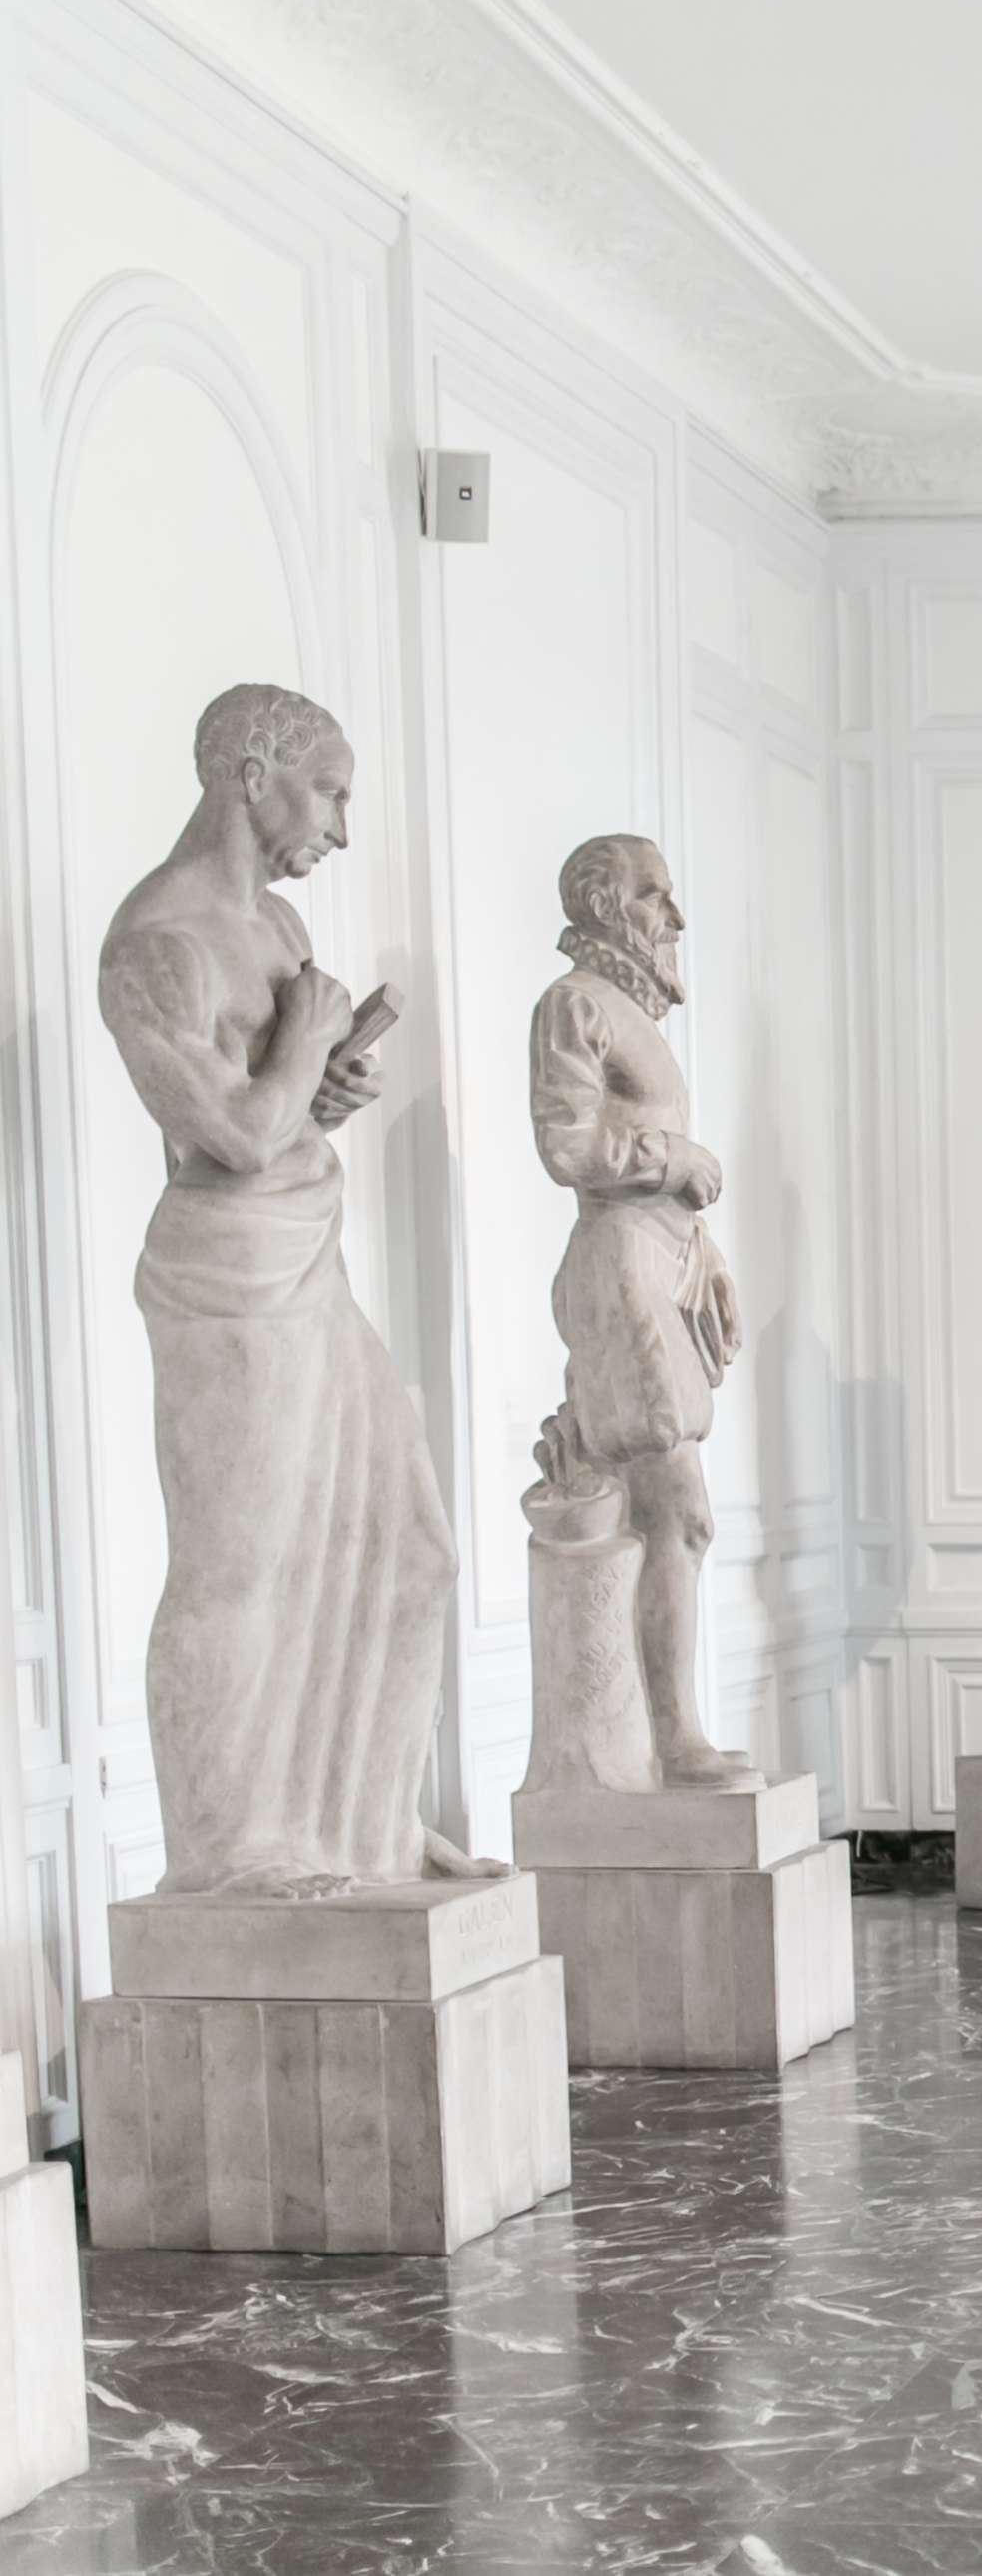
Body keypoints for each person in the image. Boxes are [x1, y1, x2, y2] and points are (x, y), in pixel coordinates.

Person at [95, 684, 497, 1893]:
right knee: (238, 1560)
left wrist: (322, 1077)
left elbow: (278, 1110)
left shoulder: (275, 931)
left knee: (412, 1544)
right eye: (330, 789)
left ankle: (365, 1827)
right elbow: (225, 1131)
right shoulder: (154, 943)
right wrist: (299, 1058)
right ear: (251, 769)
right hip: (228, 1280)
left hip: (307, 1255)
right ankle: (223, 1856)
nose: (338, 823)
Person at [528, 833, 757, 1789]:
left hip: (659, 1262)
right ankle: (670, 1739)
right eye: (655, 895)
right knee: (679, 1509)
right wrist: (676, 1162)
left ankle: (644, 1736)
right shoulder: (576, 1004)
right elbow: (567, 1147)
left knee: (663, 1510)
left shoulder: (625, 1009)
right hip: (618, 1268)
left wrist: (698, 1244)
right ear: (605, 905)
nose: (675, 917)